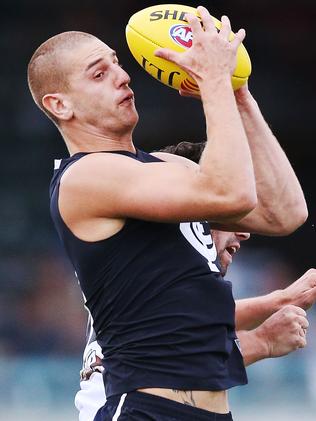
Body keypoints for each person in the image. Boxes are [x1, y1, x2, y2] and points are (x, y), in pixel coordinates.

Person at [27, 6, 308, 420]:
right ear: (60, 105)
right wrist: (213, 81)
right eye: (98, 74)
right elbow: (230, 193)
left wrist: (238, 96)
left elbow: (284, 214)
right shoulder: (84, 177)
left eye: (117, 64)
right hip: (144, 409)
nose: (123, 76)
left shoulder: (169, 169)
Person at [74, 141, 314, 421]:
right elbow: (175, 361)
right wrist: (263, 341)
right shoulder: (151, 260)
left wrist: (279, 301)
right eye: (229, 212)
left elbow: (194, 326)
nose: (245, 232)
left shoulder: (152, 265)